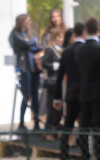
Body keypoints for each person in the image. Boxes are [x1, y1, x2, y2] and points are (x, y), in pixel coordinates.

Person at [53, 22, 85, 150]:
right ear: (84, 33)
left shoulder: (66, 52)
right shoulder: (88, 49)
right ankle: (85, 153)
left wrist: (57, 97)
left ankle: (64, 153)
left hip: (71, 93)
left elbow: (59, 76)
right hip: (85, 94)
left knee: (68, 125)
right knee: (85, 127)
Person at [9, 14, 42, 131]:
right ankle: (21, 122)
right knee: (26, 95)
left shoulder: (28, 34)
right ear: (22, 21)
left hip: (34, 69)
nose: (30, 22)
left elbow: (38, 45)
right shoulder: (15, 34)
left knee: (35, 95)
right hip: (24, 68)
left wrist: (32, 43)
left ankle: (37, 122)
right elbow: (26, 44)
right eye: (28, 20)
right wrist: (33, 42)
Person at [76, 17, 100, 159]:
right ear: (98, 29)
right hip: (98, 96)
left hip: (84, 94)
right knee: (97, 128)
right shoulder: (98, 49)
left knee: (84, 128)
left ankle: (85, 155)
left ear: (85, 30)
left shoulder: (79, 50)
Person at [41, 27, 64, 140]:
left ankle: (56, 128)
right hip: (52, 82)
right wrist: (54, 66)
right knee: (52, 108)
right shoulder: (50, 50)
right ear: (54, 38)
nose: (61, 39)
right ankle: (48, 131)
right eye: (59, 36)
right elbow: (44, 63)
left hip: (59, 83)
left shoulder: (61, 50)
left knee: (59, 108)